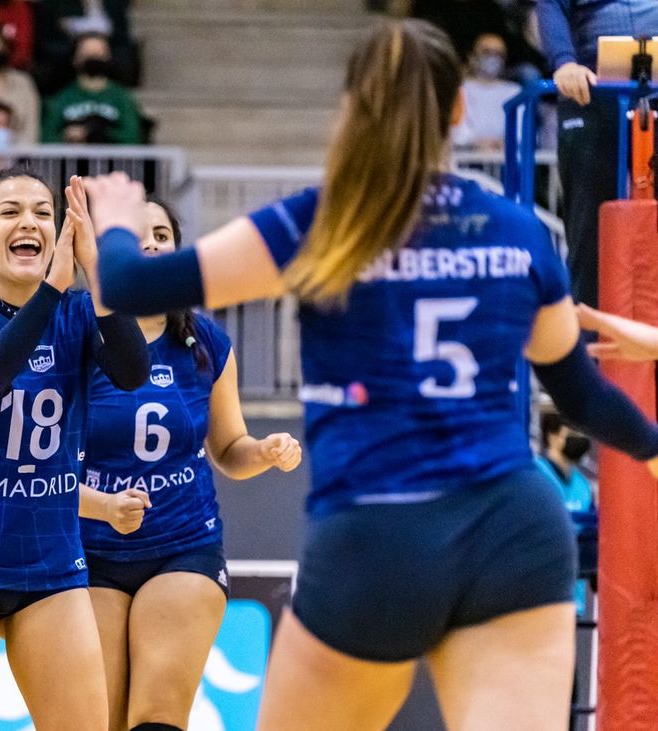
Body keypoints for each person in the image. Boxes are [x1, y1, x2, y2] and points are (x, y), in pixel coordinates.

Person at [85, 20, 658, 730]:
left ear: (351, 105)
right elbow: (579, 395)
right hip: (512, 527)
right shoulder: (518, 230)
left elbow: (130, 283)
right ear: (457, 110)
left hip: (374, 533)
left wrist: (113, 220)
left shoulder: (325, 221)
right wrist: (654, 450)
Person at [0, 167, 148, 729]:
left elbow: (134, 371)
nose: (30, 222)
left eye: (44, 212)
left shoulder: (80, 311)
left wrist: (97, 269)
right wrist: (51, 291)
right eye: (10, 211)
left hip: (51, 565)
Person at [78, 192, 301, 731]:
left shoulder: (205, 341)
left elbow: (228, 449)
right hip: (85, 548)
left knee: (157, 715)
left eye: (163, 236)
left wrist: (263, 453)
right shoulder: (74, 330)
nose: (151, 244)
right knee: (96, 718)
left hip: (182, 544)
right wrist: (103, 505)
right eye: (138, 234)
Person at [538, 0, 658, 308]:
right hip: (590, 88)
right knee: (590, 230)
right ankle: (588, 345)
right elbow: (551, 5)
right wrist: (564, 63)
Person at [42, 33, 143, 145]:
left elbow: (132, 137)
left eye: (99, 53)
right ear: (75, 59)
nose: (94, 57)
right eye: (87, 53)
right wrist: (67, 136)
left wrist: (103, 135)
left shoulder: (123, 99)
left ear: (109, 57)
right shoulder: (61, 99)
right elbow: (47, 138)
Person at [452, 32, 522, 151]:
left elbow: (520, 130)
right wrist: (477, 143)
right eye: (486, 52)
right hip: (467, 156)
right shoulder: (460, 89)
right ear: (472, 56)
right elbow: (457, 130)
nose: (493, 58)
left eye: (498, 54)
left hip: (504, 158)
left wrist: (504, 142)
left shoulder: (515, 91)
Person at [535, 410, 595, 516]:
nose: (580, 438)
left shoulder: (583, 485)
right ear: (552, 437)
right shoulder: (536, 475)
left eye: (583, 433)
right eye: (573, 433)